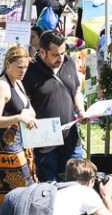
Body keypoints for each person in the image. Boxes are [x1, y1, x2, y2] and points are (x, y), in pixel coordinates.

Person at [0, 45, 38, 215]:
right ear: (7, 63)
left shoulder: (18, 83)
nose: (22, 71)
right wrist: (19, 117)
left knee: (27, 195)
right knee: (9, 199)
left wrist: (27, 114)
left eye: (25, 67)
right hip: (5, 151)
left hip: (22, 147)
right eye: (19, 67)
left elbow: (28, 109)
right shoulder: (1, 85)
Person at [23, 30, 85, 181]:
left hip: (71, 137)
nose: (60, 58)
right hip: (44, 139)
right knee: (49, 186)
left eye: (63, 53)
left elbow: (76, 91)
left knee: (78, 181)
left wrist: (81, 111)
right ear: (42, 52)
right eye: (55, 55)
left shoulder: (69, 62)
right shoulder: (29, 70)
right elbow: (24, 102)